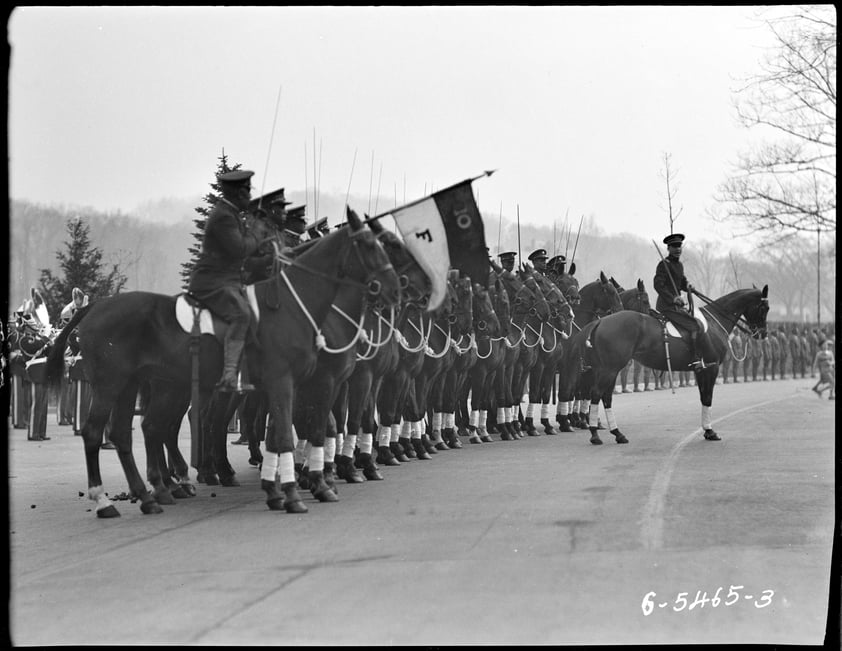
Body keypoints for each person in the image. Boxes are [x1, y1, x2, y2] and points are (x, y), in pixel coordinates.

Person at [187, 169, 263, 392]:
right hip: (211, 282)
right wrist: (256, 236)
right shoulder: (223, 216)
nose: (250, 196)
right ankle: (229, 375)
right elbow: (239, 249)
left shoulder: (230, 215)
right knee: (241, 315)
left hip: (226, 280)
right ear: (239, 193)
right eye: (247, 191)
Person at [653, 233, 705, 368]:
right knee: (694, 325)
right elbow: (658, 285)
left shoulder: (679, 265)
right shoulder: (664, 264)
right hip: (666, 306)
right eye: (674, 246)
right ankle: (694, 359)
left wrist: (687, 285)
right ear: (668, 248)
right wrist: (673, 298)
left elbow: (681, 282)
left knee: (697, 323)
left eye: (679, 246)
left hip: (677, 307)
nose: (678, 249)